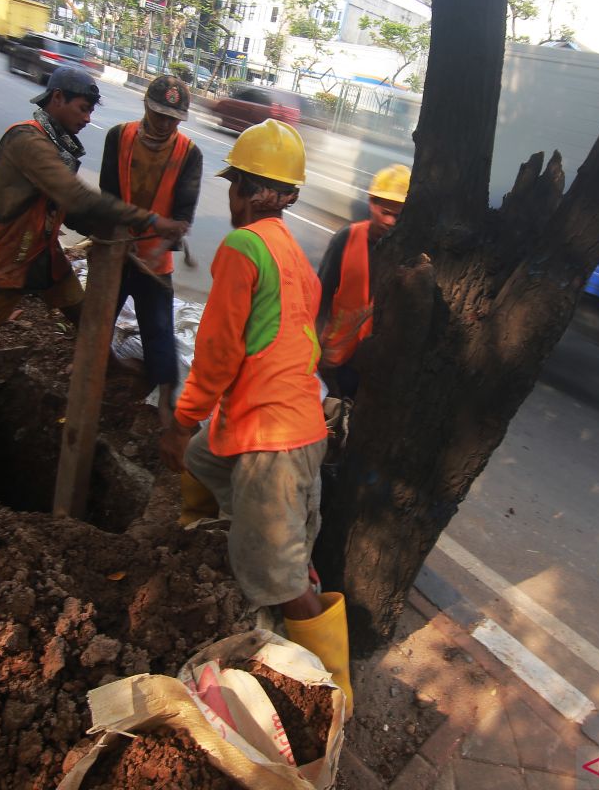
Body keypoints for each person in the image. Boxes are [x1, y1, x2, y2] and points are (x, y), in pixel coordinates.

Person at [0, 67, 190, 448]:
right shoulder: (27, 141)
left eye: (92, 111)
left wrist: (112, 236)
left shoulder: (57, 144)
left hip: (44, 256)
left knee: (88, 318)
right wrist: (151, 220)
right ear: (56, 98)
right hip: (6, 262)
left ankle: (111, 366)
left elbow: (70, 211)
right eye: (82, 108)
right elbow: (76, 197)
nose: (87, 118)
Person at [158, 119, 354, 717]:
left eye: (234, 186)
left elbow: (218, 351)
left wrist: (182, 414)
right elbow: (303, 344)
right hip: (297, 428)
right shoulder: (294, 254)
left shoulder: (243, 247)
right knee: (204, 456)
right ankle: (209, 529)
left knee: (278, 577)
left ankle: (337, 689)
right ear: (289, 195)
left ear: (240, 189)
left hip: (273, 442)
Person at [98, 75, 203, 430]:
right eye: (160, 115)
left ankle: (164, 404)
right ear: (145, 105)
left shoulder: (189, 153)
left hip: (155, 262)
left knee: (158, 329)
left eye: (173, 118)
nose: (165, 124)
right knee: (99, 319)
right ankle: (92, 376)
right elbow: (107, 195)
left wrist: (158, 246)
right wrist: (120, 237)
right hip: (114, 251)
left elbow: (183, 215)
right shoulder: (119, 137)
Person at [315, 163, 410, 399]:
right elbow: (321, 293)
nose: (390, 221)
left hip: (373, 365)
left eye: (397, 216)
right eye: (385, 212)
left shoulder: (412, 255)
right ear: (372, 204)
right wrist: (312, 343)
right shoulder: (346, 238)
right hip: (334, 359)